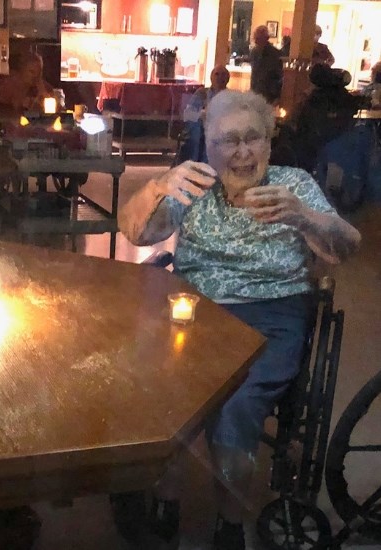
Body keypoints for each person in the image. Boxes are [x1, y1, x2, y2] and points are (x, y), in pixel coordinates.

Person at [118, 90, 360, 549]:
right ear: (207, 146)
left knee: (236, 403)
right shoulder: (193, 184)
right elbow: (135, 231)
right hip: (190, 312)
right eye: (230, 141)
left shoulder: (295, 185)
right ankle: (164, 492)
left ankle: (230, 520)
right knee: (154, 381)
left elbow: (346, 247)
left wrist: (304, 216)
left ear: (270, 142)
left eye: (254, 139)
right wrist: (156, 187)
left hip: (270, 318)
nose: (244, 152)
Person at [179, 65, 230, 162]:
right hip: (203, 131)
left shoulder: (232, 97)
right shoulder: (202, 93)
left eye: (223, 74)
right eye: (217, 74)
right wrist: (202, 115)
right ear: (211, 77)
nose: (220, 77)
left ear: (228, 78)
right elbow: (187, 114)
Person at [0, 52, 54, 116]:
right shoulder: (9, 86)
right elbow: (2, 113)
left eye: (39, 72)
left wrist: (43, 94)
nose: (36, 76)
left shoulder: (46, 88)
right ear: (22, 70)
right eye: (32, 72)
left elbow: (54, 113)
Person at [249, 25, 284, 104]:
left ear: (266, 38)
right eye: (255, 38)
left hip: (269, 94)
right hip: (255, 92)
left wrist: (277, 96)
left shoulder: (275, 54)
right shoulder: (254, 52)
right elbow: (254, 74)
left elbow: (279, 76)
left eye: (258, 38)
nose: (256, 41)